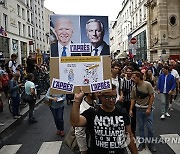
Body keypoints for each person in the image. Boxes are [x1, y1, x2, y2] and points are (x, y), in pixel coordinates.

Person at [70, 84, 138, 154]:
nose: (111, 100)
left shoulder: (122, 112)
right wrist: (77, 100)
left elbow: (129, 135)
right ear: (100, 96)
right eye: (107, 97)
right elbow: (75, 122)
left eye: (114, 97)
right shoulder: (93, 112)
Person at [129, 71, 157, 152]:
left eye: (134, 77)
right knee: (141, 128)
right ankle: (142, 143)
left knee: (150, 128)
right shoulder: (134, 87)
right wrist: (131, 109)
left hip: (147, 109)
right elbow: (133, 99)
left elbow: (152, 96)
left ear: (138, 77)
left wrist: (149, 108)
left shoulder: (147, 84)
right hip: (139, 109)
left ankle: (151, 143)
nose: (133, 79)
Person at [121, 66, 136, 136]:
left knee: (133, 118)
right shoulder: (122, 80)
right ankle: (125, 131)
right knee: (124, 117)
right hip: (125, 101)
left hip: (133, 101)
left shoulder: (134, 80)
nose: (129, 72)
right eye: (128, 71)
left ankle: (133, 132)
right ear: (125, 72)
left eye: (130, 71)